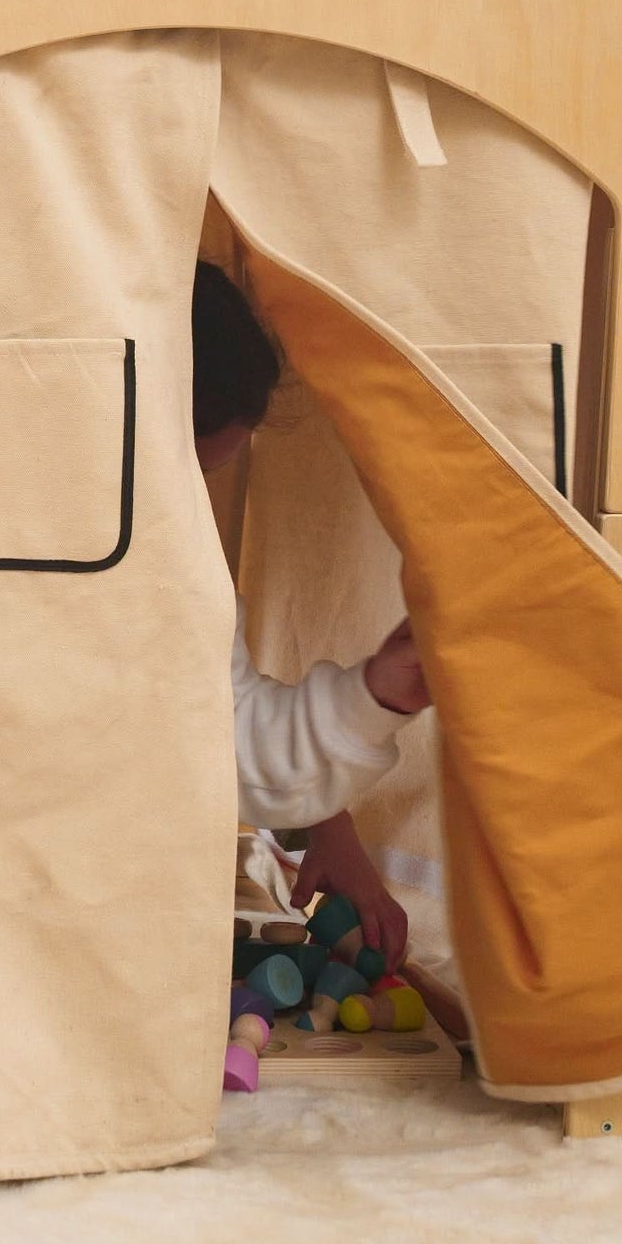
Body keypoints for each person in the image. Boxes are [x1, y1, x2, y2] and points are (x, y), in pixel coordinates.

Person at [192, 258, 431, 960]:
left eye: (204, 477)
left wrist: (375, 695)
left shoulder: (185, 573)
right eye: (182, 467)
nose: (189, 506)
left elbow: (225, 733)